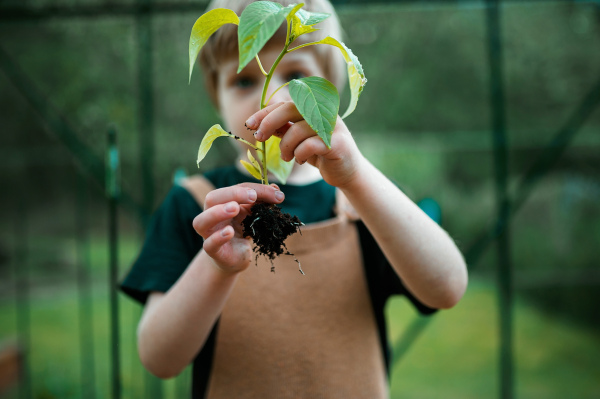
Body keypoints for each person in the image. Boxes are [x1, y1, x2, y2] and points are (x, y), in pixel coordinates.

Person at [120, 0, 468, 397]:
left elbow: (447, 287)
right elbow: (159, 358)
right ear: (216, 96)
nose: (269, 95)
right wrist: (215, 264)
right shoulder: (198, 207)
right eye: (244, 81)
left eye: (297, 76)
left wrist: (356, 177)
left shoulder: (361, 202)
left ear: (328, 94)